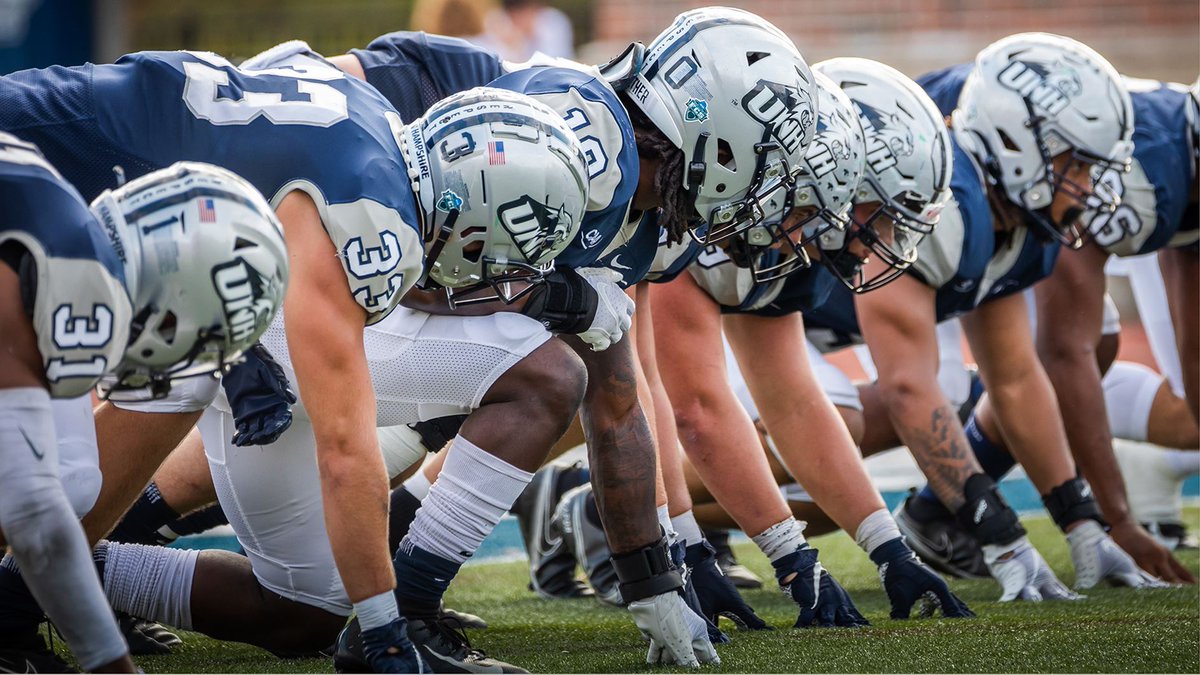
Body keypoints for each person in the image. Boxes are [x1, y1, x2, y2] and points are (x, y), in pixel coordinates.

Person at [0, 41, 573, 672]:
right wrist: (385, 630)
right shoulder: (368, 214)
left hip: (76, 176)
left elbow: (271, 76)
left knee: (307, 608)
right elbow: (344, 450)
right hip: (46, 170)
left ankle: (33, 589)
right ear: (475, 212)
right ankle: (14, 601)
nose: (502, 274)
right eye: (509, 245)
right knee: (78, 446)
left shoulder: (370, 115)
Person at [645, 59, 973, 623]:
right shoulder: (701, 205)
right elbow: (689, 407)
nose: (876, 242)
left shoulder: (794, 229)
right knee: (582, 385)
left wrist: (887, 549)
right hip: (491, 301)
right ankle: (573, 507)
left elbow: (793, 401)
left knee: (598, 386)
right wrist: (692, 549)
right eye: (876, 213)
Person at [890, 54, 1197, 585]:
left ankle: (935, 513)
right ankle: (710, 527)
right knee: (886, 401)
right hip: (903, 221)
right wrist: (1114, 521)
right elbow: (1060, 350)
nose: (1087, 179)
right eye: (1077, 167)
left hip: (969, 211)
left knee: (1063, 351)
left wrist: (1084, 521)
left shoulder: (1157, 165)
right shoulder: (1143, 170)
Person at [0, 132, 287, 672]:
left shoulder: (69, 231)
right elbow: (32, 512)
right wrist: (109, 663)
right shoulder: (56, 268)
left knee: (75, 479)